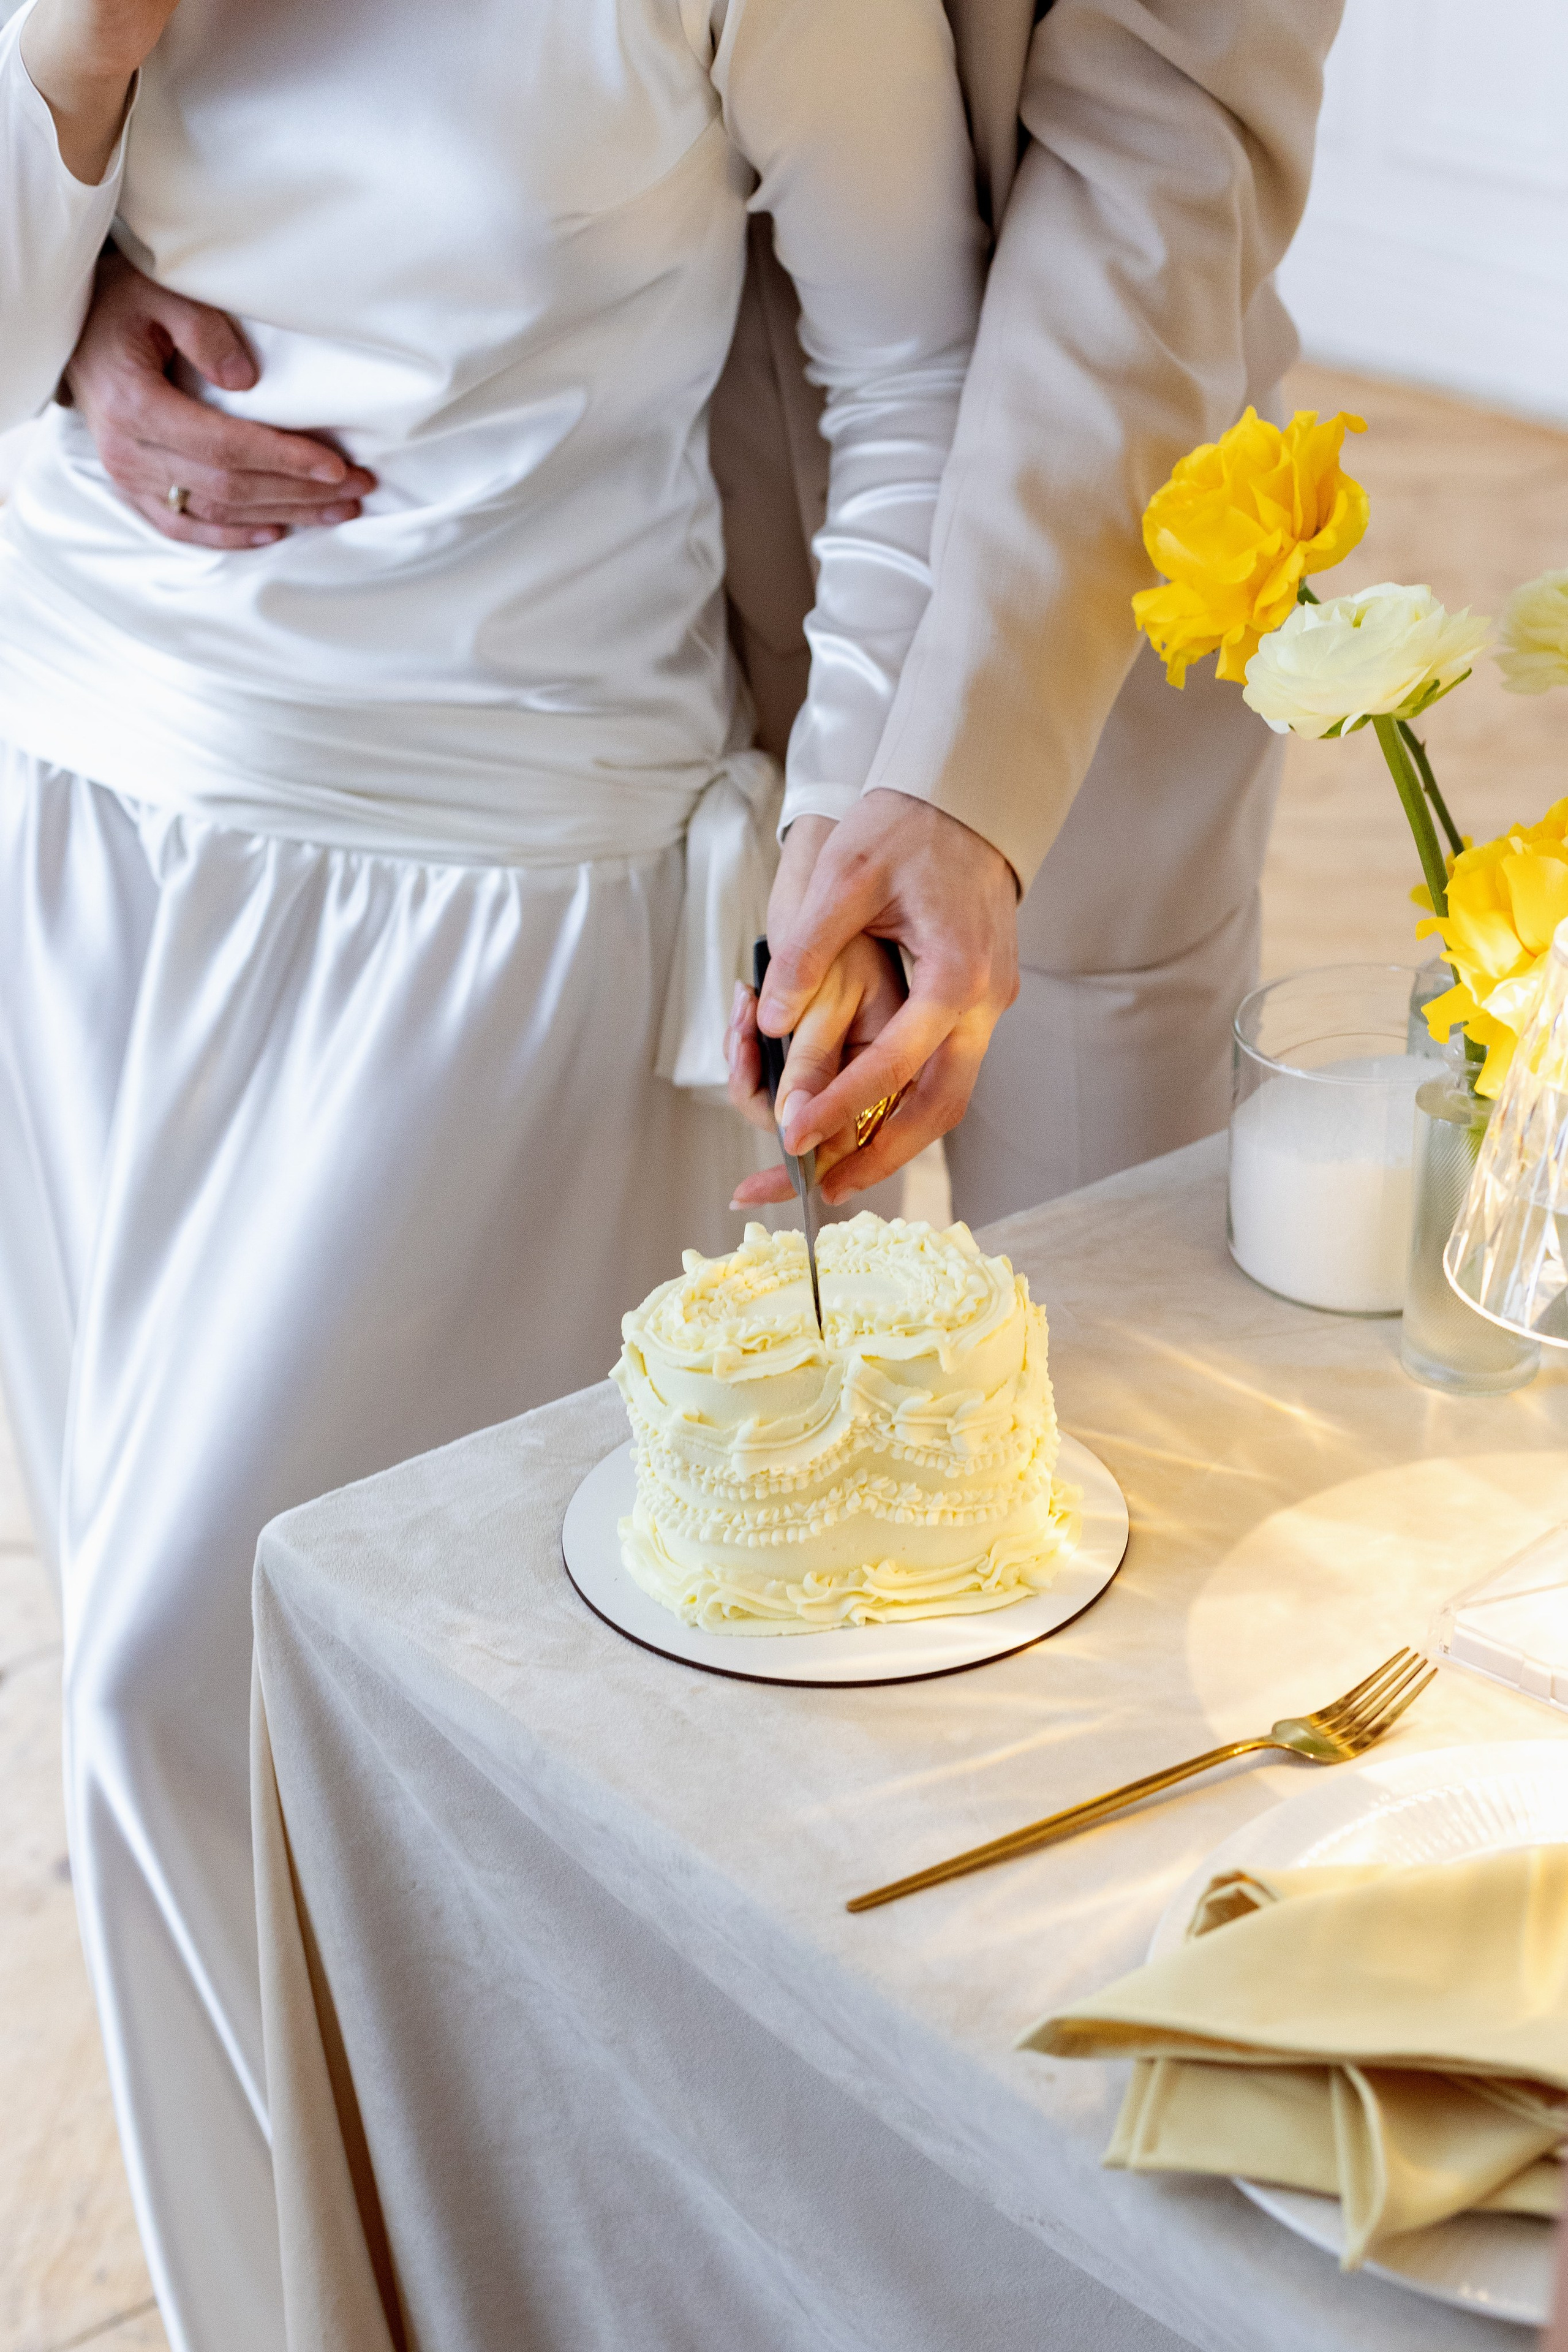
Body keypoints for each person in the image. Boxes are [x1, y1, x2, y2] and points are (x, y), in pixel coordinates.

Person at [0, 1, 982, 2343]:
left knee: (187, 1678)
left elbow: (918, 378)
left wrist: (842, 831)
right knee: (138, 1693)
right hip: (81, 808)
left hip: (491, 876)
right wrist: (70, 82)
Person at [69, 0, 1346, 1232]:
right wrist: (75, 269)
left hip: (1055, 646)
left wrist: (956, 784)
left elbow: (1152, 196)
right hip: (644, 657)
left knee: (1097, 1329)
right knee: (786, 1344)